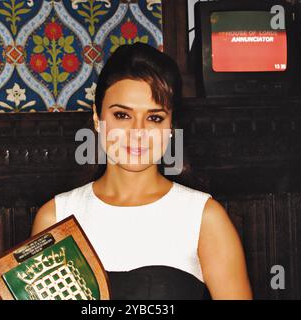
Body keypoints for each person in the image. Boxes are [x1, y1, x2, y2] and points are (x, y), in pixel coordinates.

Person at [31, 43, 252, 300]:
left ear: (171, 126)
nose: (137, 133)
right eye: (122, 115)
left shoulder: (204, 218)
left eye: (154, 118)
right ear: (97, 117)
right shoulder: (55, 217)